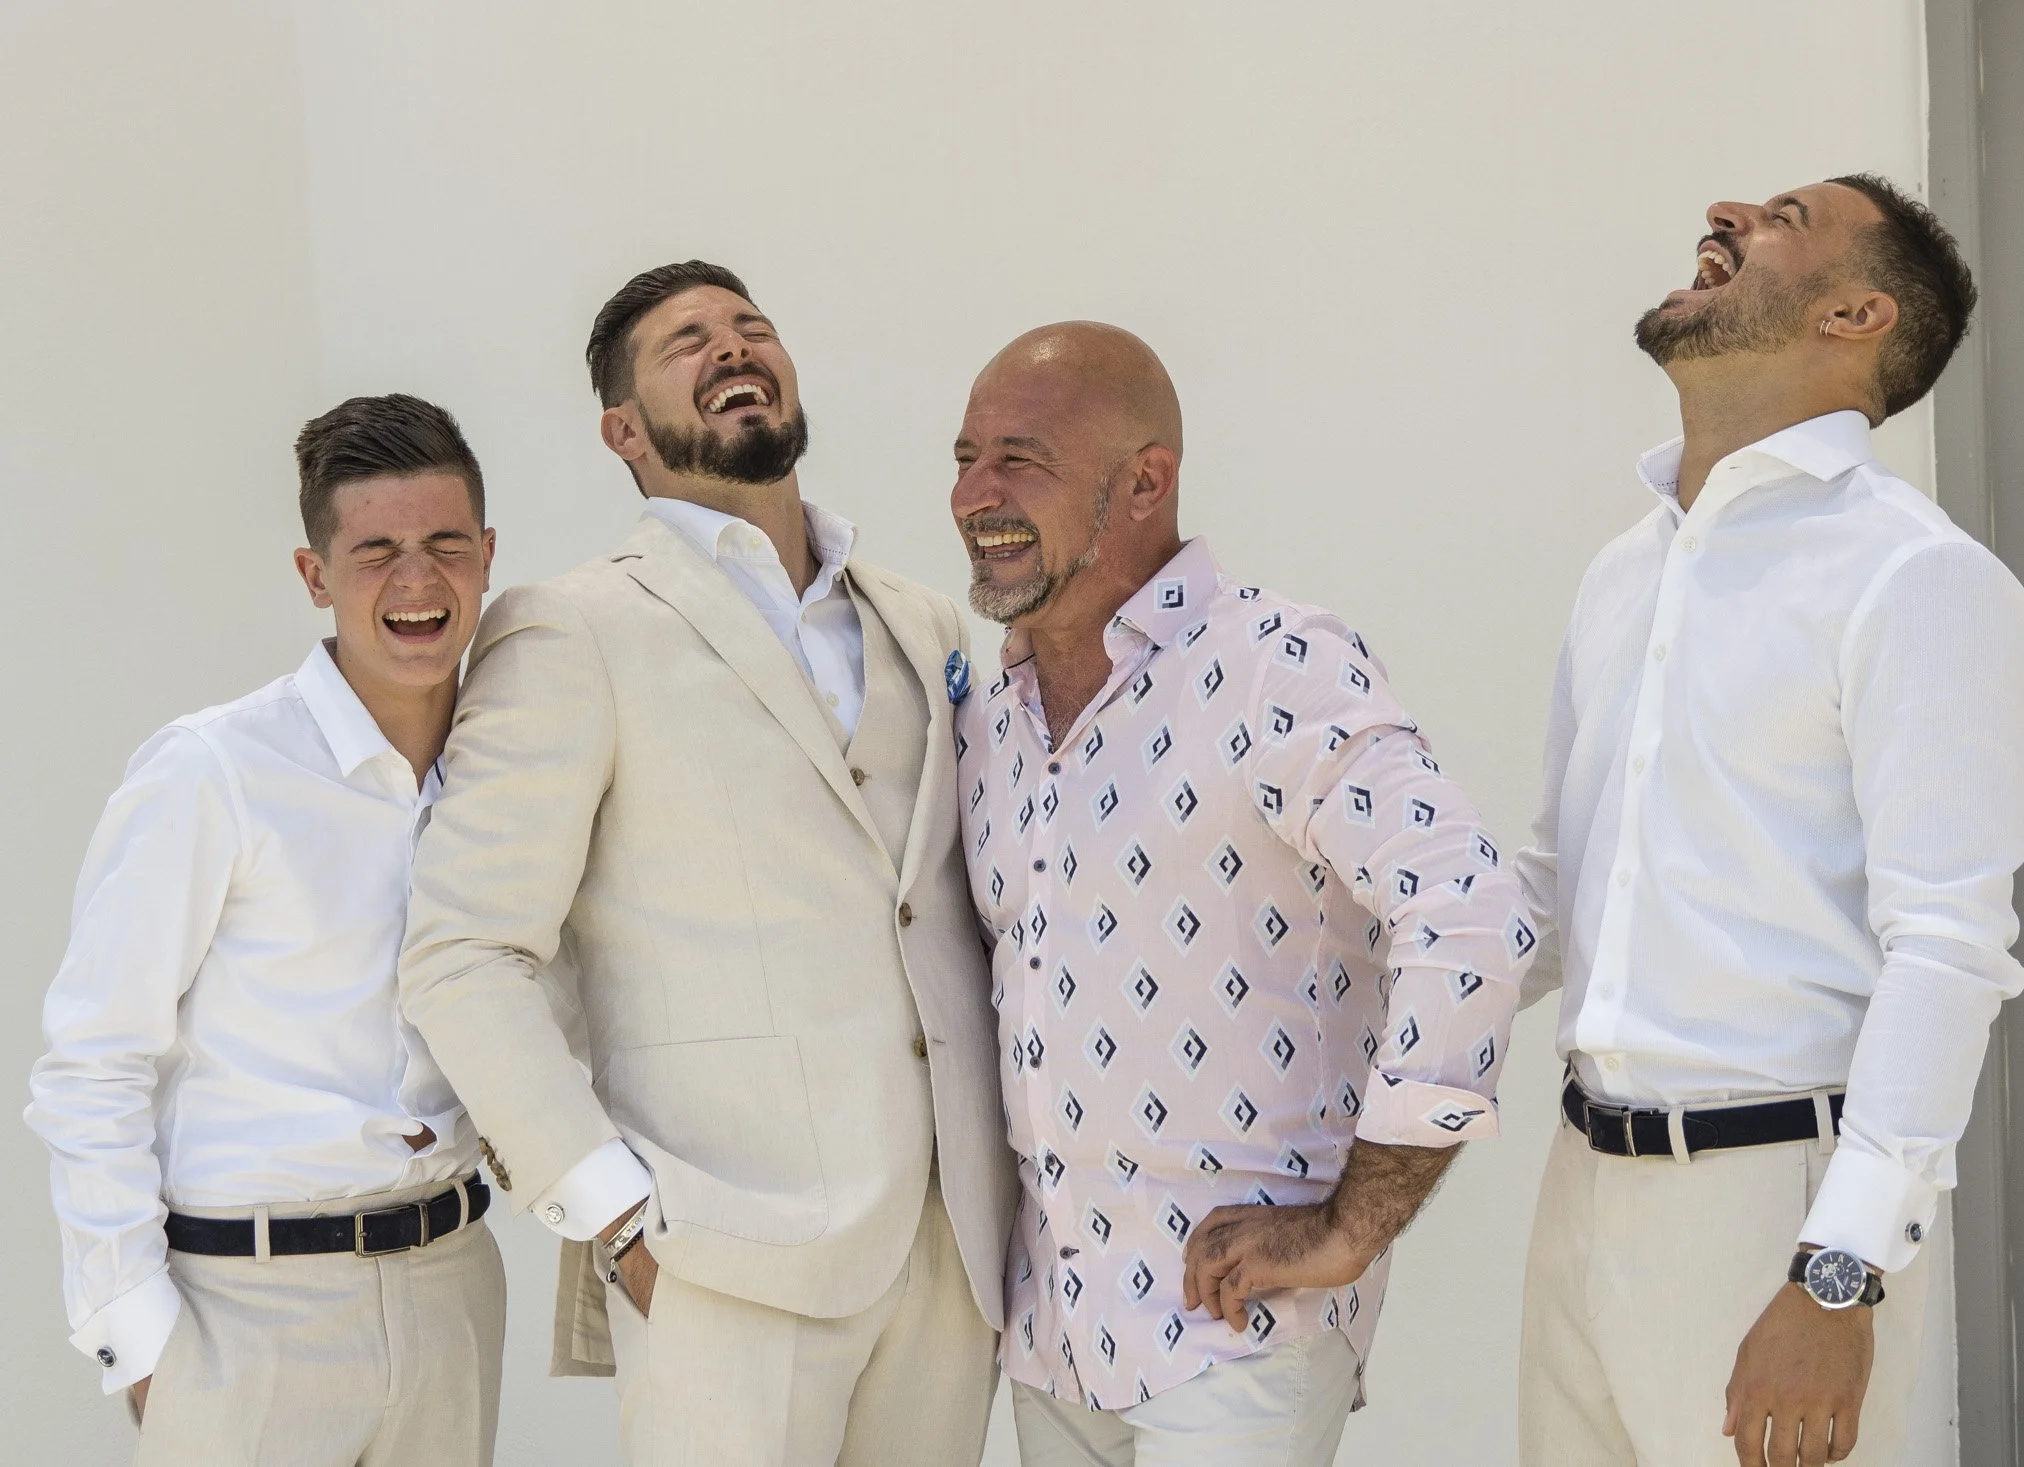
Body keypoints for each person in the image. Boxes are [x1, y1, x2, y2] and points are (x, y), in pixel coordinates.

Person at [398, 261, 1017, 1467]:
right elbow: (464, 953)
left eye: (749, 327)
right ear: (621, 431)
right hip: (718, 1252)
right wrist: (607, 1213)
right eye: (685, 342)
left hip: (950, 1253)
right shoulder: (573, 628)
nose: (730, 347)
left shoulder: (924, 619)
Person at [948, 321, 1533, 1465]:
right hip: (1050, 1332)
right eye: (963, 457)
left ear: (1143, 483)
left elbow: (1469, 912)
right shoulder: (983, 717)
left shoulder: (1275, 665)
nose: (974, 493)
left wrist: (1353, 1225)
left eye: (1018, 458)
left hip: (1233, 1333)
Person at [1515, 175, 2024, 1467]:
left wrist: (1840, 1270)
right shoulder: (1625, 567)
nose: (1728, 205)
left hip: (1774, 1212)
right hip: (1581, 1191)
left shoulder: (1918, 578)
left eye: (1785, 215)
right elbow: (1553, 887)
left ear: (1856, 313)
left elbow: (1950, 948)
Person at [25, 394, 507, 1465]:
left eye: (442, 545)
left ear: (486, 555)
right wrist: (137, 1343)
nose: (416, 581)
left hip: (450, 1282)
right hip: (246, 1313)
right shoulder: (215, 770)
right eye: (375, 551)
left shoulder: (512, 771)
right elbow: (94, 1061)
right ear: (313, 576)